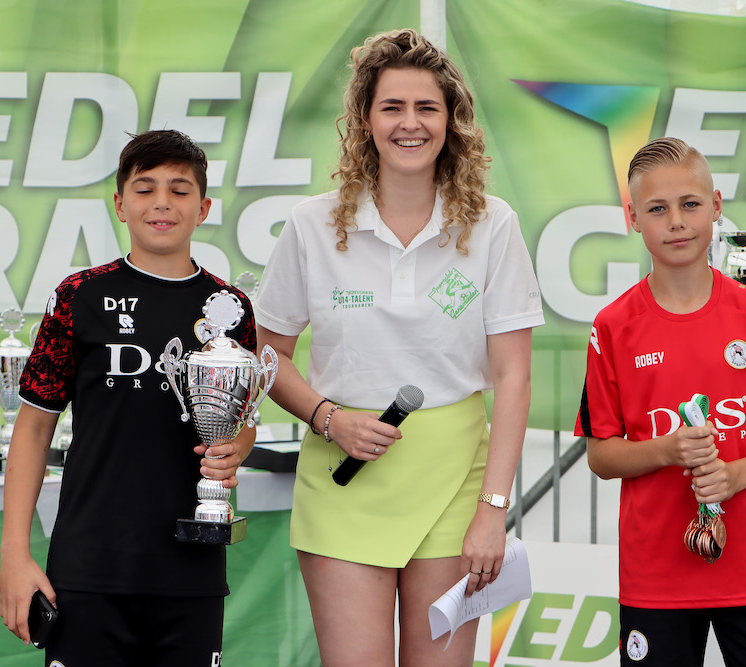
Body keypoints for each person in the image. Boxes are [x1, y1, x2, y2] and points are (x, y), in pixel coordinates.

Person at [253, 29, 544, 666]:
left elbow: (514, 378)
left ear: (451, 120)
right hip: (342, 477)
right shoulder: (311, 224)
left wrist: (493, 509)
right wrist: (329, 418)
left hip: (457, 482)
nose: (410, 124)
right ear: (365, 118)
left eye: (426, 108)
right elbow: (267, 356)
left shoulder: (493, 225)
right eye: (392, 107)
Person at [0, 129, 257, 666]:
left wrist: (238, 447)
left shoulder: (229, 309)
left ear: (204, 208)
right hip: (89, 568)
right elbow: (34, 427)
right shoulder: (78, 296)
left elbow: (241, 420)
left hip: (191, 570)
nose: (162, 202)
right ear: (119, 204)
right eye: (145, 188)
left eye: (180, 190)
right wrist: (14, 553)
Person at [575, 137, 746, 666]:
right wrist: (666, 450)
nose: (676, 222)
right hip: (656, 579)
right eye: (657, 209)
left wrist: (735, 476)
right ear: (633, 218)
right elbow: (601, 455)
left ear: (716, 206)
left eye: (690, 204)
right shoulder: (612, 327)